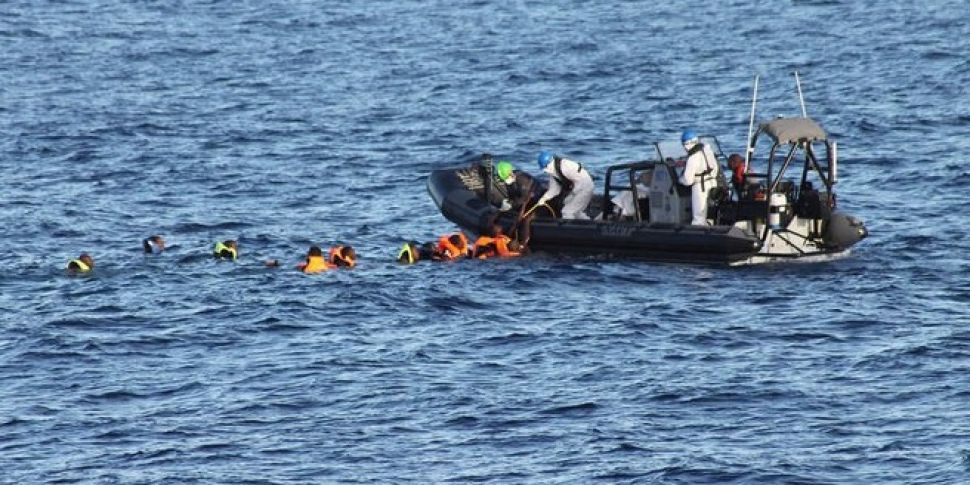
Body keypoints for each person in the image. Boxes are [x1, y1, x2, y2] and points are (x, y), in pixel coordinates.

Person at [534, 150, 594, 220]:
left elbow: (581, 180)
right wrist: (544, 199)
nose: (545, 171)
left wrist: (574, 194)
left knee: (567, 212)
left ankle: (570, 229)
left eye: (545, 168)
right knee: (569, 205)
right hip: (578, 189)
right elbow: (554, 190)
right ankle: (587, 223)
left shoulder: (565, 166)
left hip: (585, 187)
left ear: (549, 164)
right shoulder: (554, 174)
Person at [678, 130, 721, 225]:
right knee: (710, 211)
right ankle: (711, 226)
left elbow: (688, 180)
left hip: (700, 187)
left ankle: (698, 233)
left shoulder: (692, 157)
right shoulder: (707, 150)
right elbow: (715, 168)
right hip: (713, 183)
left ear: (687, 144)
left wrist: (680, 179)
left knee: (699, 215)